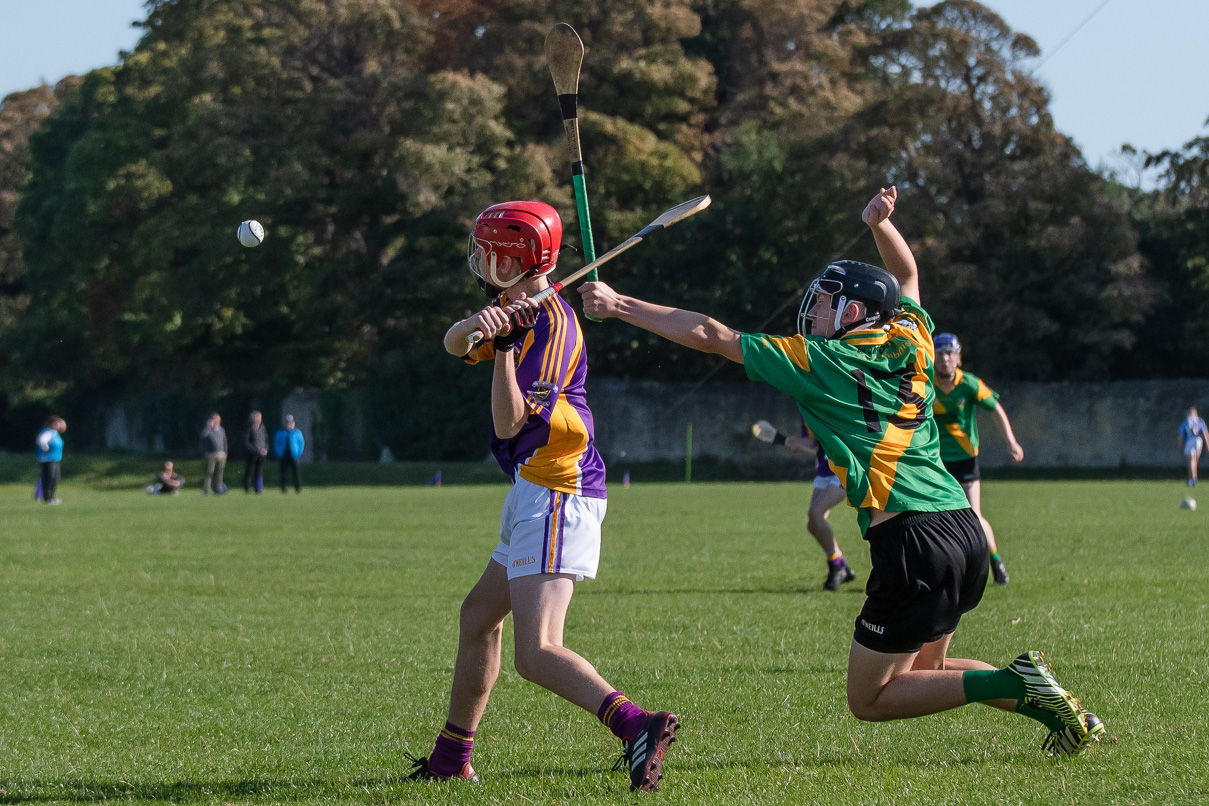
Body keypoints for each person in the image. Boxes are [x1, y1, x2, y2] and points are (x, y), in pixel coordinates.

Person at [579, 186, 1103, 757]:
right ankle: (1070, 714)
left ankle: (1012, 680)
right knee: (934, 667)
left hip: (912, 539)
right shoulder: (913, 336)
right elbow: (907, 272)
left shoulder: (821, 360)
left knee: (870, 699)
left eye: (825, 301)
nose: (812, 310)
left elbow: (712, 335)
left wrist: (619, 305)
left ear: (853, 311)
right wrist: (879, 224)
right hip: (964, 527)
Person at [408, 200, 678, 792]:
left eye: (489, 252)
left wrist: (505, 347)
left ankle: (637, 724)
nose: (478, 259)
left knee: (537, 651)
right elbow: (453, 344)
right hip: (534, 488)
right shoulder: (514, 307)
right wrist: (483, 325)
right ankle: (451, 759)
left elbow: (508, 424)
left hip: (560, 491)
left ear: (517, 260)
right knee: (478, 618)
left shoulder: (552, 326)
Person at [931, 334, 1024, 586]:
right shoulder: (925, 383)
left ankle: (996, 561)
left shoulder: (969, 384)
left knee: (973, 516)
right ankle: (947, 571)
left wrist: (1011, 441)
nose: (945, 359)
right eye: (939, 353)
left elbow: (995, 408)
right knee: (937, 518)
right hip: (936, 462)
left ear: (958, 358)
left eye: (950, 353)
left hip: (965, 459)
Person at [776, 421, 857, 591]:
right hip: (825, 471)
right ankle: (841, 565)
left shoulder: (835, 398)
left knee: (816, 513)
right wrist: (798, 442)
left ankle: (836, 566)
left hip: (843, 469)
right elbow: (813, 442)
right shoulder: (805, 407)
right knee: (813, 525)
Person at [35, 416, 66, 505]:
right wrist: (46, 448)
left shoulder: (55, 433)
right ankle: (47, 498)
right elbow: (41, 441)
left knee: (55, 478)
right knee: (49, 478)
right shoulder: (47, 432)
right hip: (48, 459)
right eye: (55, 423)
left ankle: (52, 497)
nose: (57, 425)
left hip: (55, 459)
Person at [1178, 407, 1208, 486]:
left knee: (1190, 461)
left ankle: (1192, 479)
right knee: (1195, 461)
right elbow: (1205, 433)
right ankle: (1193, 478)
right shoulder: (1200, 420)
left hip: (1190, 441)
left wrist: (1180, 445)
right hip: (1199, 441)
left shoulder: (1186, 421)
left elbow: (1181, 435)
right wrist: (1207, 444)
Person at [274, 414, 304, 493]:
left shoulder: (297, 432)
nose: (289, 424)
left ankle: (297, 487)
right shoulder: (280, 432)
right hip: (283, 455)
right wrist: (279, 452)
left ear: (293, 423)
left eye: (291, 422)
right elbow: (276, 443)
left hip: (294, 455)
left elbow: (301, 443)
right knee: (283, 472)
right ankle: (283, 487)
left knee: (296, 473)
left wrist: (298, 453)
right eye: (287, 422)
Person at [200, 413, 228, 495]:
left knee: (220, 473)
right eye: (215, 419)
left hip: (221, 453)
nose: (217, 421)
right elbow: (203, 435)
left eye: (218, 419)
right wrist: (208, 426)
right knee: (209, 472)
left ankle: (219, 489)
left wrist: (225, 452)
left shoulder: (221, 430)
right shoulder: (209, 430)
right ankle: (206, 490)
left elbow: (225, 441)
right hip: (211, 453)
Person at [243, 410, 269, 493]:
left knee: (258, 471)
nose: (258, 419)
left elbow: (266, 440)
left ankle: (257, 488)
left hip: (261, 455)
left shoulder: (262, 428)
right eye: (256, 417)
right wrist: (255, 450)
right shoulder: (249, 428)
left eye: (259, 417)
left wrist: (266, 449)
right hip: (251, 454)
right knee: (249, 471)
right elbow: (246, 442)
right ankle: (246, 488)